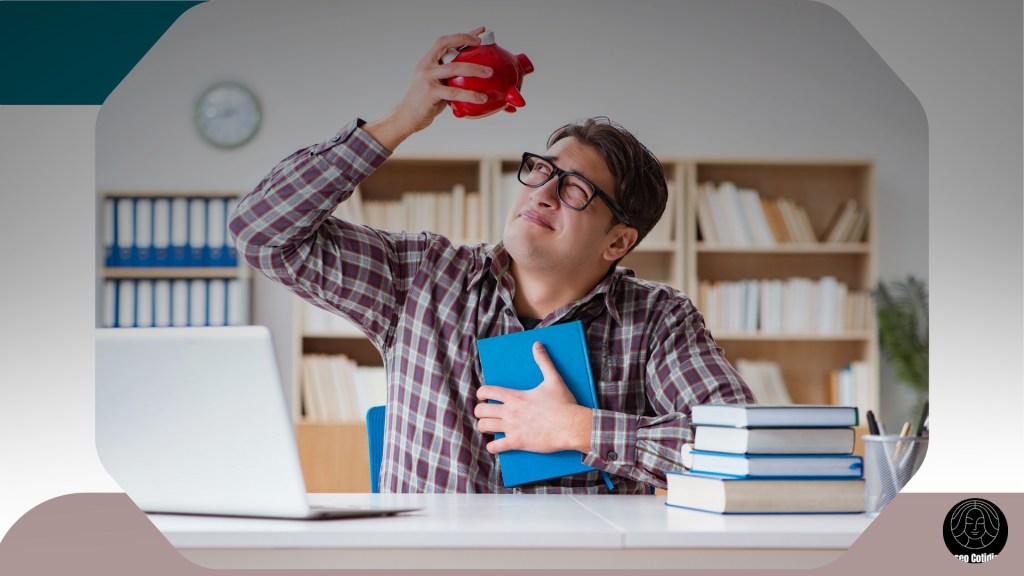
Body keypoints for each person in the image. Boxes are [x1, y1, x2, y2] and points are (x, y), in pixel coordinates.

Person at [230, 28, 752, 494]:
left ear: (617, 242)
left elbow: (745, 443)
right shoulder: (421, 276)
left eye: (575, 189)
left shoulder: (659, 320)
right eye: (542, 170)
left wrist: (579, 428)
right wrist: (398, 122)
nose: (542, 193)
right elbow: (261, 231)